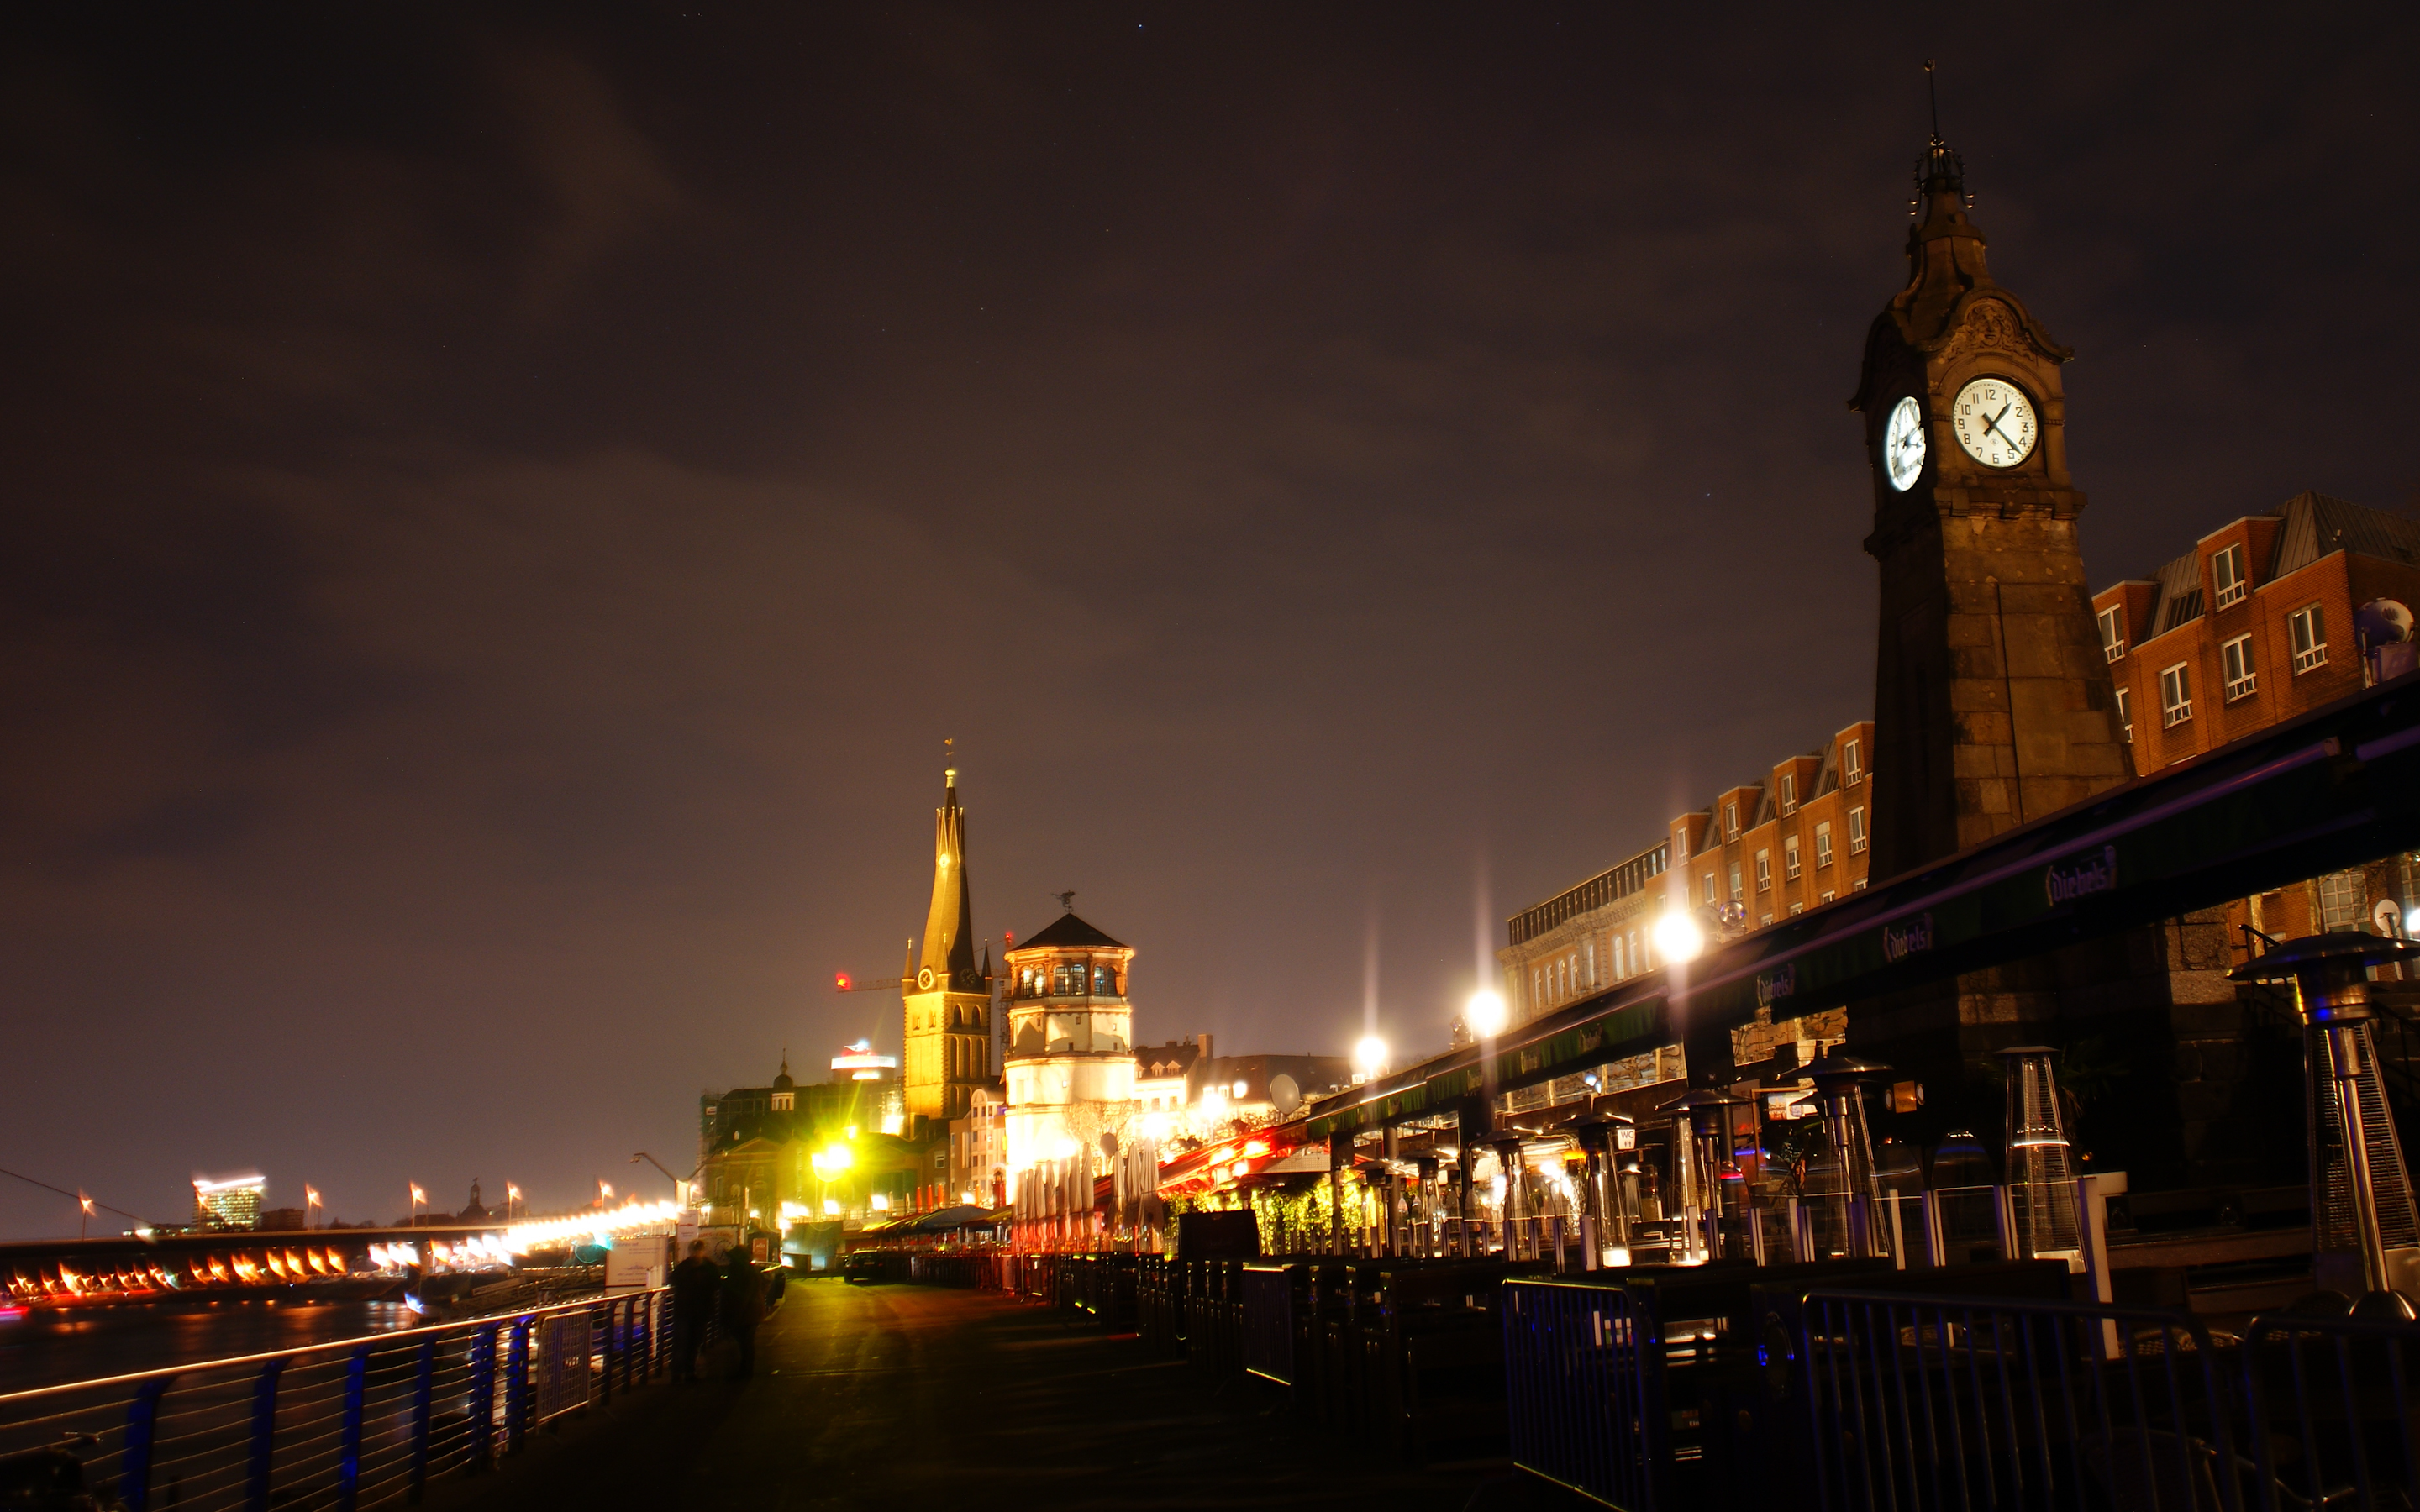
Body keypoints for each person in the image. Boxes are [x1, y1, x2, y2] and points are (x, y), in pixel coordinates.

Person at [669, 1241, 718, 1383]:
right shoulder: (708, 1267)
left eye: (699, 1251)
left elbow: (674, 1281)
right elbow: (716, 1285)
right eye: (696, 1251)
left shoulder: (684, 1267)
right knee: (685, 1343)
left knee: (690, 1343)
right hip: (691, 1311)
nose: (697, 1254)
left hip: (690, 1310)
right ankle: (682, 1372)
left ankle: (685, 1372)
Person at [720, 1243, 765, 1381]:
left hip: (745, 1315)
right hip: (751, 1313)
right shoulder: (750, 1270)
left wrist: (734, 1316)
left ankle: (745, 1371)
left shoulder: (739, 1271)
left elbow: (741, 1296)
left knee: (744, 1343)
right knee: (747, 1344)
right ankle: (746, 1370)